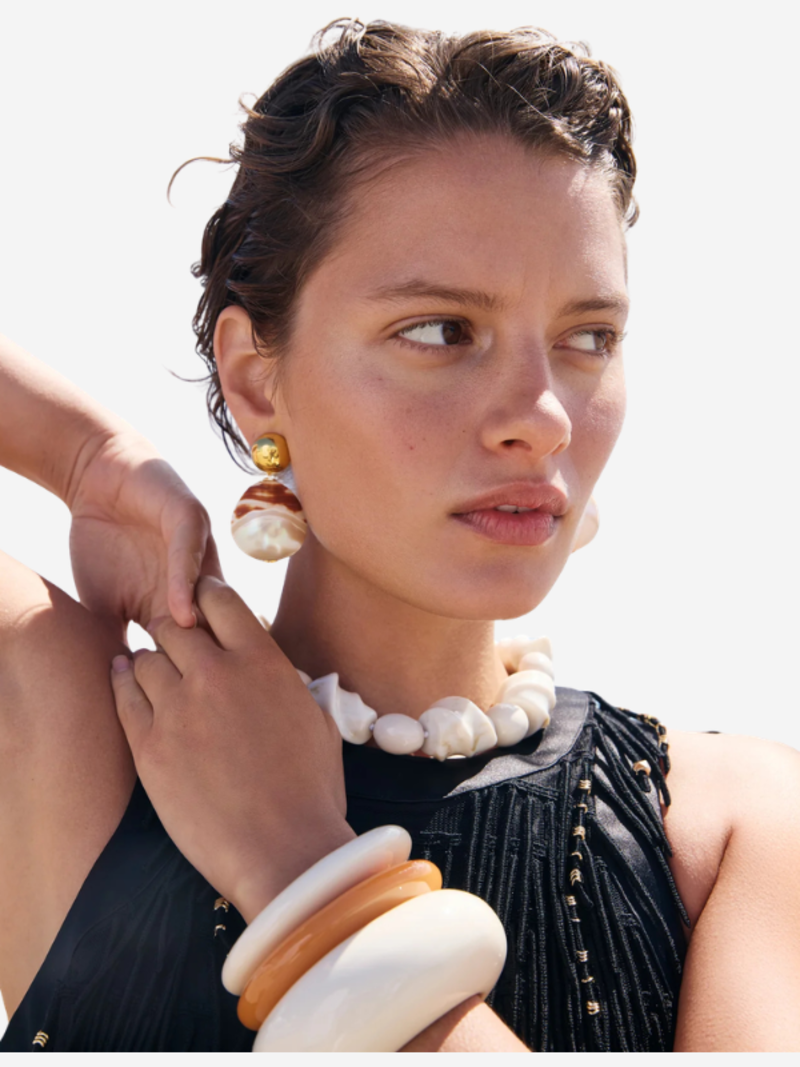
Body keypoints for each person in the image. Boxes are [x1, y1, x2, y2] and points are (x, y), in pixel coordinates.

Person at [1, 18, 798, 1052]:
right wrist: (83, 452)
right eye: (440, 330)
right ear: (255, 379)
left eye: (587, 337)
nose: (543, 416)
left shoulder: (732, 829)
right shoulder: (89, 730)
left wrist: (299, 866)